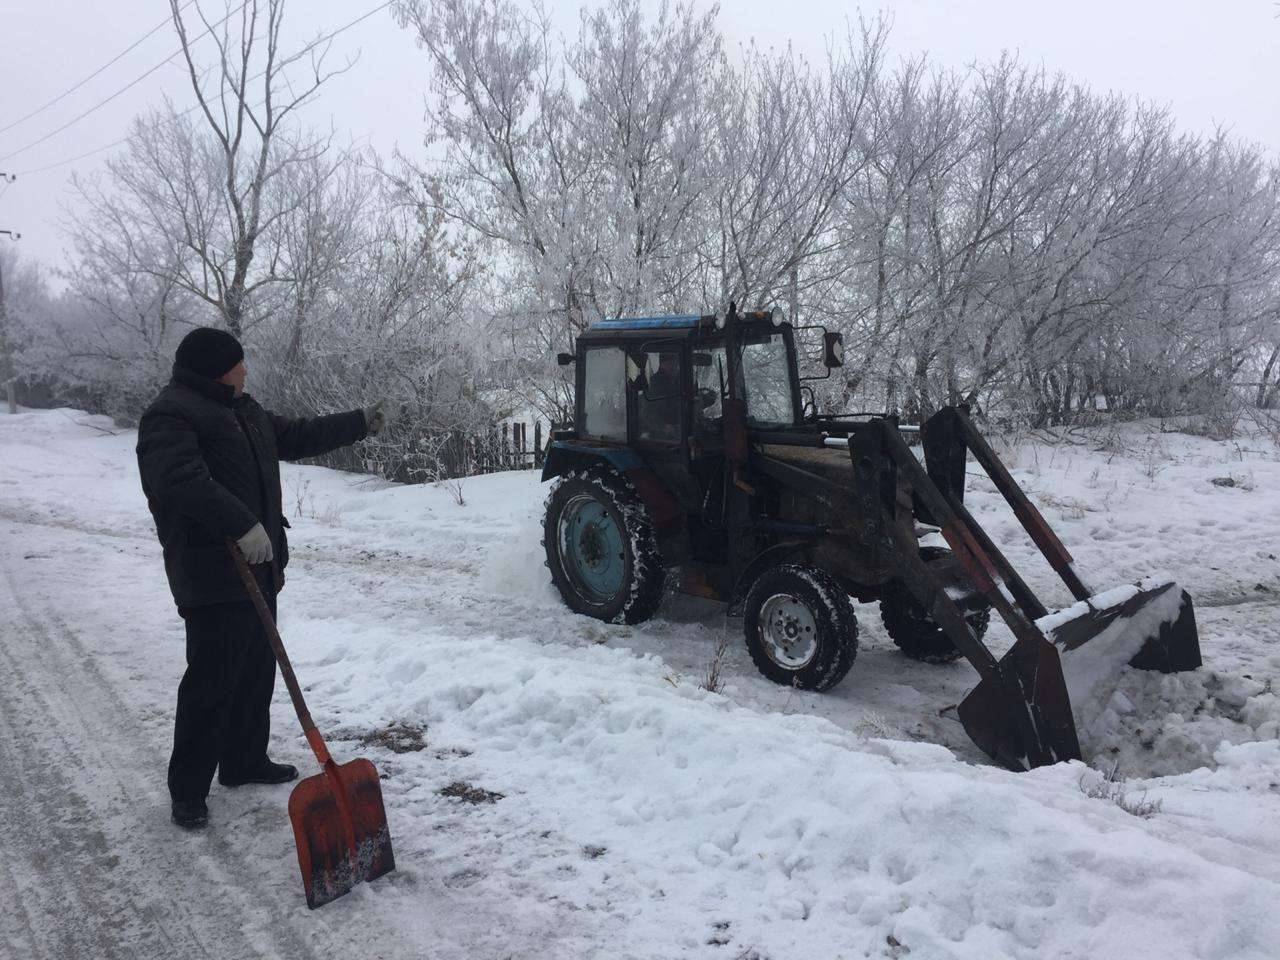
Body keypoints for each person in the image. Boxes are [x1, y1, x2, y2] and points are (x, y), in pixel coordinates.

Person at [136, 327, 390, 829]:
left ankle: (243, 760)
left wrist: (360, 422)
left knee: (255, 670)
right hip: (213, 573)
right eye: (239, 362)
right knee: (211, 680)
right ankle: (187, 790)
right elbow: (181, 483)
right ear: (216, 367)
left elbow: (296, 435)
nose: (246, 370)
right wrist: (242, 524)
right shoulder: (171, 415)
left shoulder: (243, 411)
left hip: (259, 567)